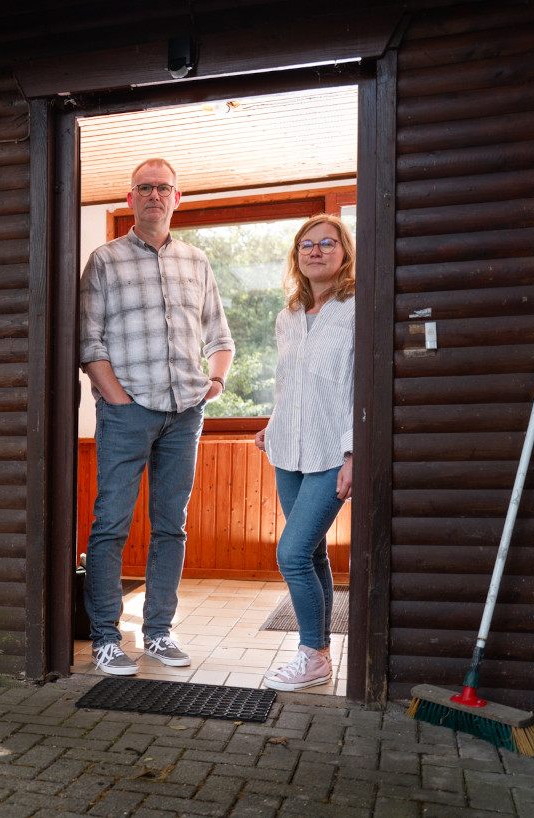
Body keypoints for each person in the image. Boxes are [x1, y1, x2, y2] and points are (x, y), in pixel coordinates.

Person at [79, 158, 234, 676]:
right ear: (129, 199)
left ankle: (160, 633)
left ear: (176, 198)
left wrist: (213, 383)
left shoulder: (197, 261)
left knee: (172, 527)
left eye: (162, 188)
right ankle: (105, 637)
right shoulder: (104, 260)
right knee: (110, 526)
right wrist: (118, 400)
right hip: (127, 414)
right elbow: (88, 341)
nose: (153, 196)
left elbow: (220, 337)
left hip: (184, 415)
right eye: (143, 188)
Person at [255, 214, 355, 692]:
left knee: (291, 553)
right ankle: (321, 657)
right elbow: (289, 385)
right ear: (297, 256)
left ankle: (311, 653)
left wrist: (357, 453)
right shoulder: (288, 315)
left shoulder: (357, 309)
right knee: (312, 553)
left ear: (344, 252)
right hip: (288, 451)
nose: (316, 251)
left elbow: (357, 386)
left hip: (334, 451)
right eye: (306, 245)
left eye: (327, 243)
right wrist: (272, 427)